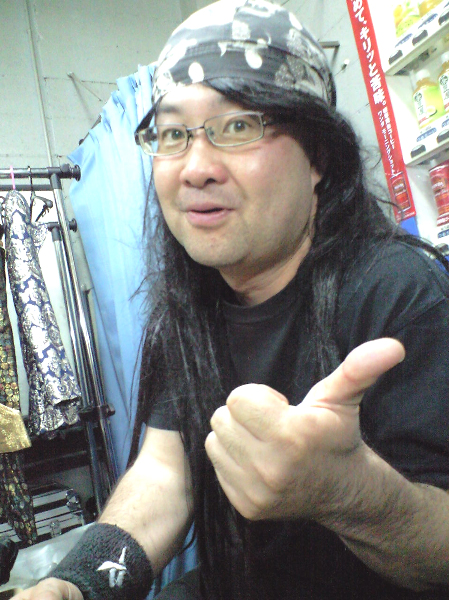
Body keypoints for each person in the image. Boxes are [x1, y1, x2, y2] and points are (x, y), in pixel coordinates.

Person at [13, 1, 448, 599]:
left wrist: (347, 492)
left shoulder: (398, 291)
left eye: (239, 126)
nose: (195, 168)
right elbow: (166, 472)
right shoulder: (193, 305)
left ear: (318, 156)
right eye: (173, 134)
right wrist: (77, 584)